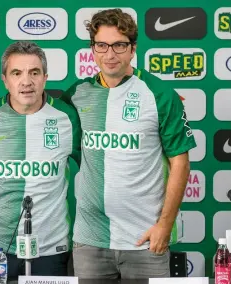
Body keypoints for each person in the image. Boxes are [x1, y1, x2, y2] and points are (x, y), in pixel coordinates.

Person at [61, 8, 197, 279]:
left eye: (119, 45)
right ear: (93, 49)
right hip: (90, 240)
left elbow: (180, 163)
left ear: (133, 48)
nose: (110, 54)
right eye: (102, 45)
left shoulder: (159, 94)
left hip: (145, 240)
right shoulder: (77, 94)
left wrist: (164, 226)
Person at [0, 41, 81, 278]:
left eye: (34, 72)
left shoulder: (67, 117)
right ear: (5, 79)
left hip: (50, 249)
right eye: (17, 73)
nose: (26, 81)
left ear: (45, 77)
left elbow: (98, 168)